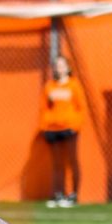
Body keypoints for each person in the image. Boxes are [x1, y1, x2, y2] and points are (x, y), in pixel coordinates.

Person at [39, 55, 87, 208]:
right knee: (57, 163)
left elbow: (81, 108)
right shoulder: (50, 86)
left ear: (68, 67)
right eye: (57, 66)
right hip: (53, 129)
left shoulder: (74, 85)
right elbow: (44, 109)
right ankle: (58, 194)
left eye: (62, 65)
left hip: (69, 128)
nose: (59, 68)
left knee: (72, 161)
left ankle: (73, 195)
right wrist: (45, 127)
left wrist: (75, 126)